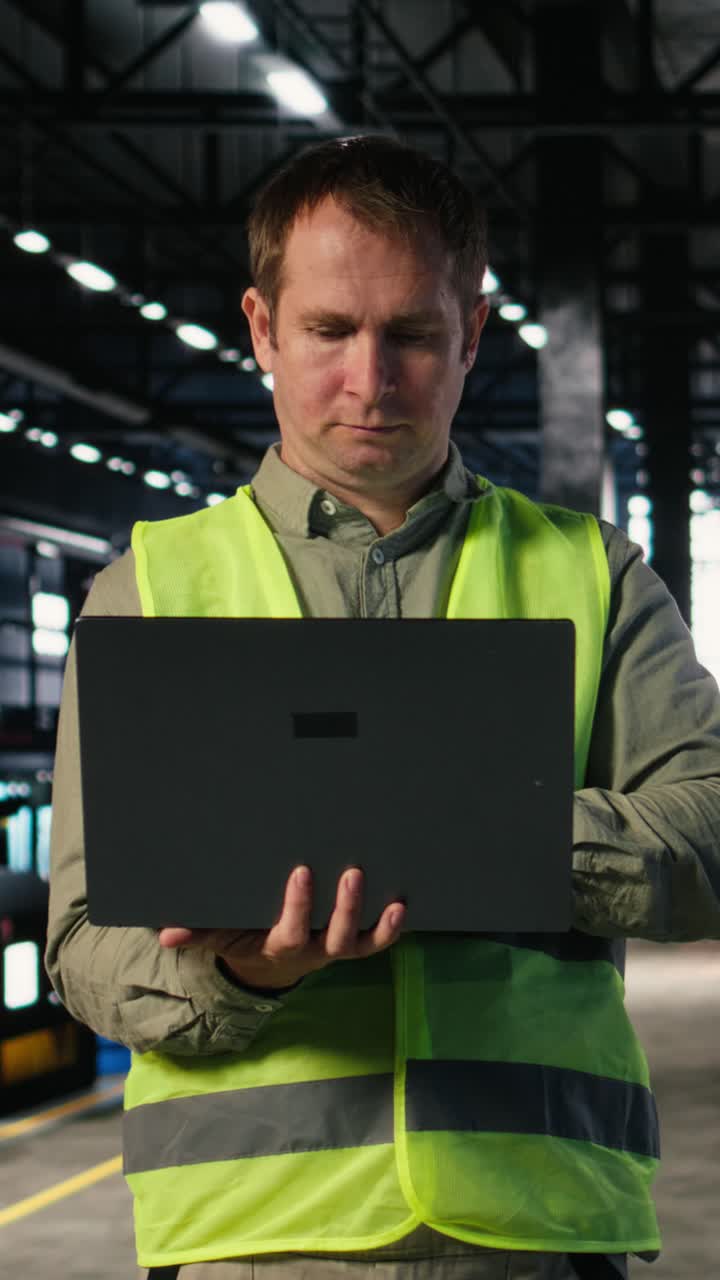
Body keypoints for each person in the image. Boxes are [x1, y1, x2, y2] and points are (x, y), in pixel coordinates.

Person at [45, 135, 720, 1280]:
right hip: (253, 1242)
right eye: (329, 331)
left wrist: (465, 837)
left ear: (474, 331)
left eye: (412, 331)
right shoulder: (148, 590)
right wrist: (245, 970)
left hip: (533, 1231)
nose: (373, 379)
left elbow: (707, 837)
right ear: (261, 328)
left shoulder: (594, 574)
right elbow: (83, 945)